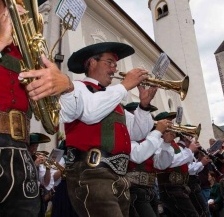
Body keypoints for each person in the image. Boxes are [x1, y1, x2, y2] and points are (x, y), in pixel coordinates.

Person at [0, 0, 67, 217]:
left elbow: (56, 116)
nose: (26, 8)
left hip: (20, 152)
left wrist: (65, 85)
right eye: (17, 0)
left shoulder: (26, 53)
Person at [56, 42, 157, 217]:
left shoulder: (113, 99)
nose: (114, 70)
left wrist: (143, 106)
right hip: (91, 174)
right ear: (92, 63)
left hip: (118, 176)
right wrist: (124, 86)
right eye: (109, 62)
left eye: (115, 65)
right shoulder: (77, 87)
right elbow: (90, 113)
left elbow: (137, 133)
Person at [127, 119, 174, 217]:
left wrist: (166, 144)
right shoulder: (131, 138)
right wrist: (157, 133)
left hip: (150, 189)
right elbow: (138, 156)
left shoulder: (152, 139)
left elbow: (161, 164)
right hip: (135, 189)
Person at [28, 133, 53, 217]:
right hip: (27, 197)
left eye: (36, 146)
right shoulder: (23, 158)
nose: (35, 149)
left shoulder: (35, 157)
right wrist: (34, 165)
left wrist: (48, 169)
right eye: (33, 146)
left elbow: (45, 182)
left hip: (38, 196)